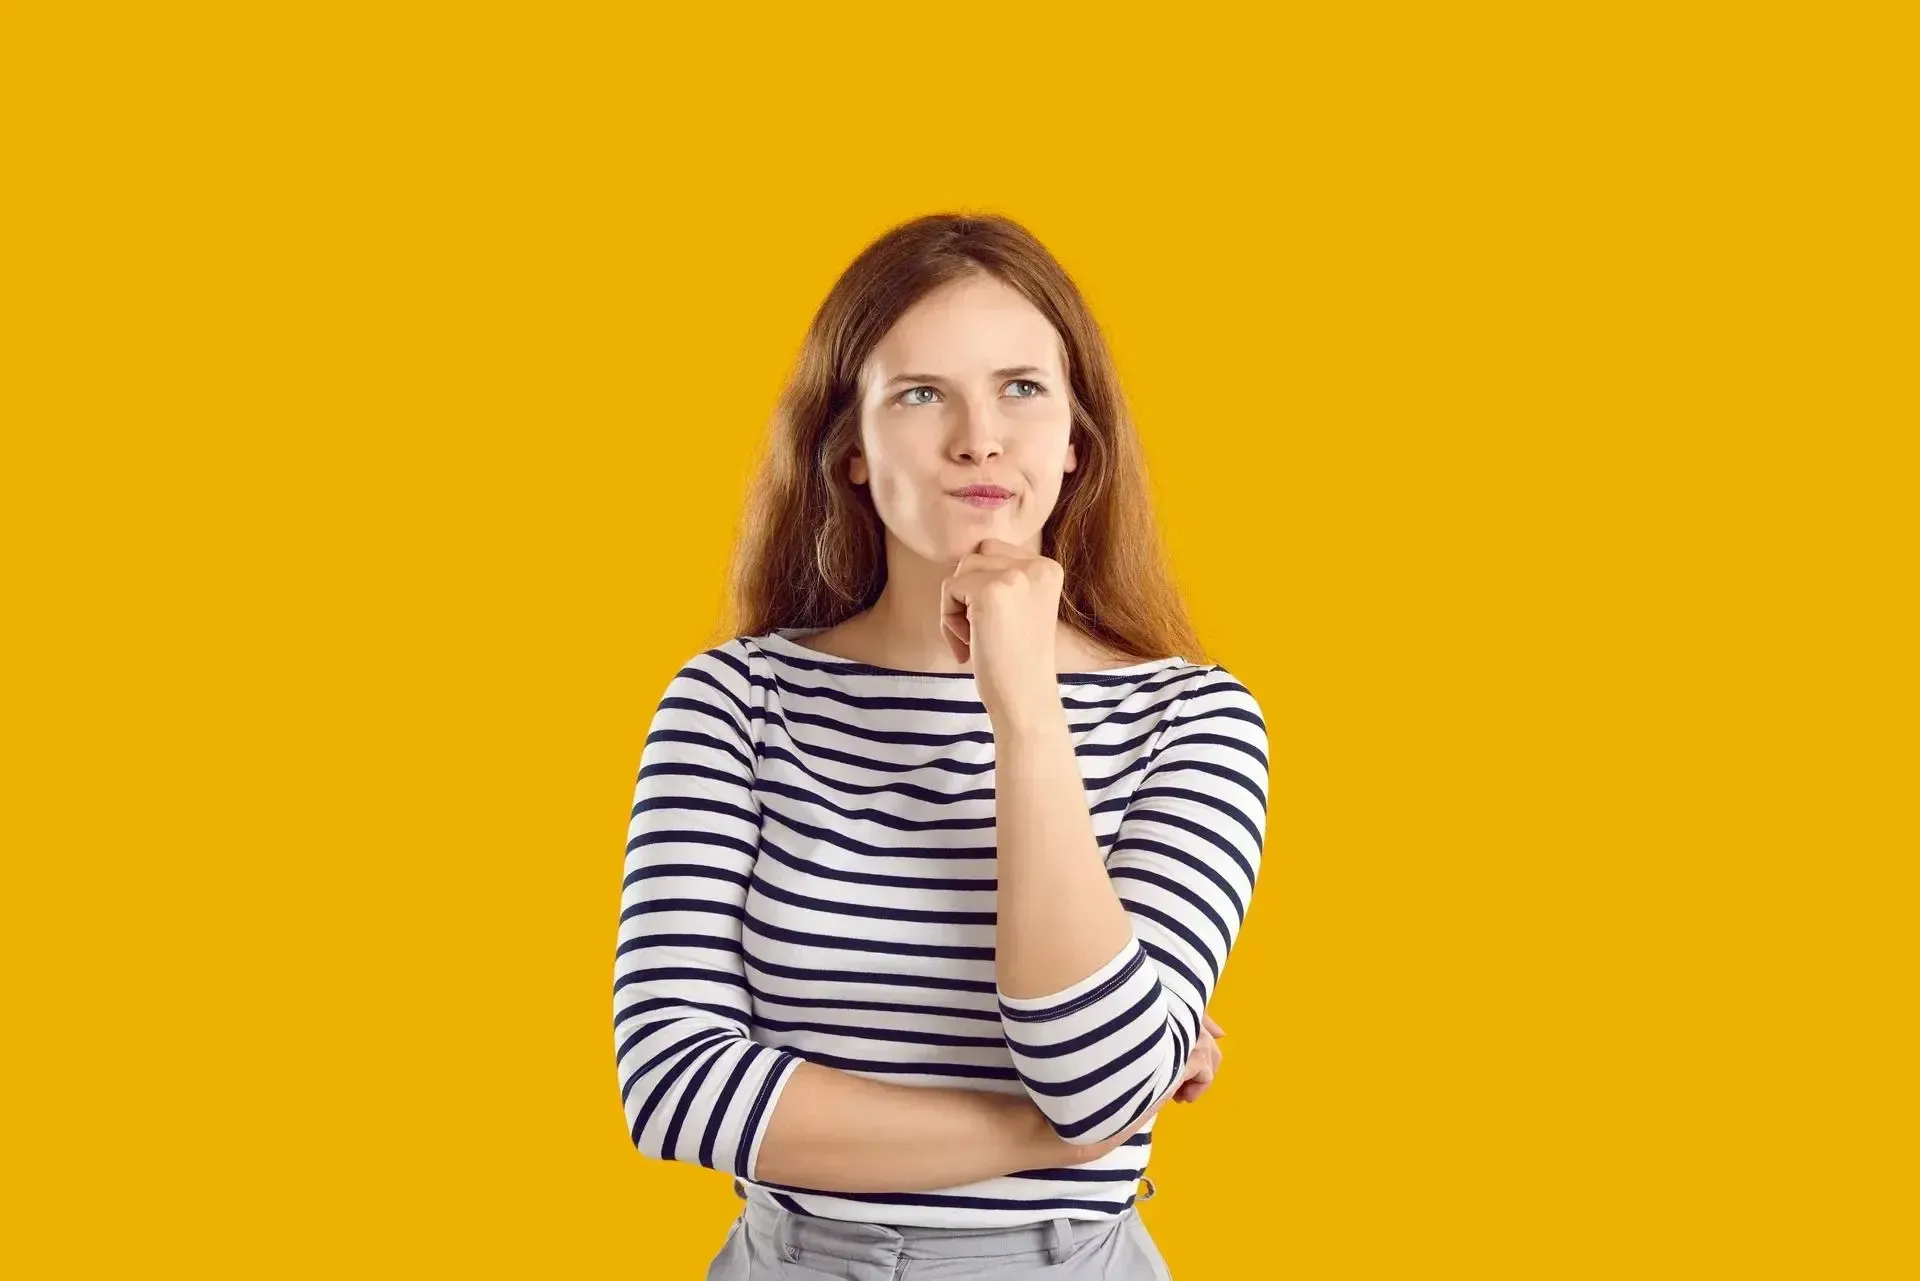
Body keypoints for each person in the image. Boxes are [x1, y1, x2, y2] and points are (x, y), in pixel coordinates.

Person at [612, 212, 1269, 1279]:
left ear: (1075, 442)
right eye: (921, 394)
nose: (979, 438)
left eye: (1022, 388)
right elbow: (675, 1086)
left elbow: (1093, 1076)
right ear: (851, 450)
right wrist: (1048, 1136)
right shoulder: (735, 701)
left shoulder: (1191, 720)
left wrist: (1023, 705)